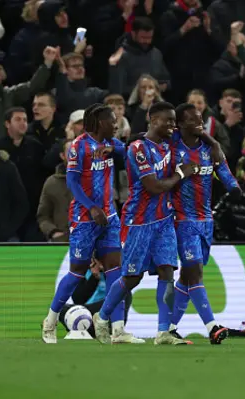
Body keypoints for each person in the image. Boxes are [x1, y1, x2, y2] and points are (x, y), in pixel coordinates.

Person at [92, 102, 192, 345]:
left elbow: (196, 131)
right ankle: (102, 316)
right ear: (151, 119)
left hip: (164, 220)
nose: (171, 125)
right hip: (138, 220)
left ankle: (163, 332)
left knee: (167, 270)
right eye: (166, 120)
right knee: (132, 277)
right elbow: (154, 187)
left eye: (173, 121)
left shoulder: (170, 143)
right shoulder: (138, 149)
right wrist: (181, 174)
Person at [42, 104, 134, 344]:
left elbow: (130, 152)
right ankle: (50, 321)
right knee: (77, 272)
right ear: (98, 122)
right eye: (112, 120)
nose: (115, 124)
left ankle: (118, 330)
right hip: (84, 218)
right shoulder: (78, 146)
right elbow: (72, 181)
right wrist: (91, 207)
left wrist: (135, 142)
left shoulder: (111, 144)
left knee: (116, 269)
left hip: (110, 216)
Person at [167, 103, 241, 344]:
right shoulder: (172, 145)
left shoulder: (210, 149)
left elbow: (225, 173)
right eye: (192, 120)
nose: (199, 123)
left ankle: (169, 328)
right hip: (182, 220)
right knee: (194, 272)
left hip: (206, 220)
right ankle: (212, 326)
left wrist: (234, 188)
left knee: (188, 277)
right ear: (180, 124)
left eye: (200, 118)